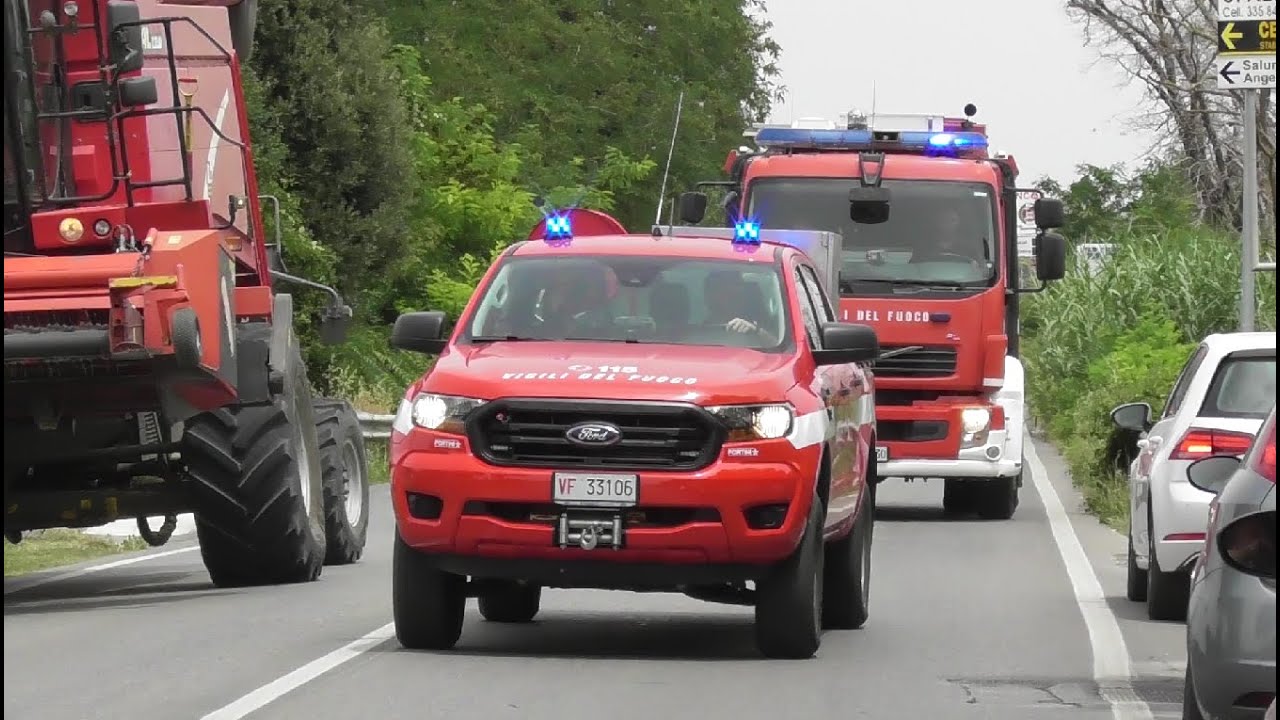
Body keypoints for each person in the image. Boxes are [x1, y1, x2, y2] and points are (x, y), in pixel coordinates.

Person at [701, 270, 778, 346]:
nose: (734, 294)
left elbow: (780, 348)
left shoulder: (760, 323)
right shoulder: (700, 333)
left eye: (737, 288)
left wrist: (756, 331)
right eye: (724, 291)